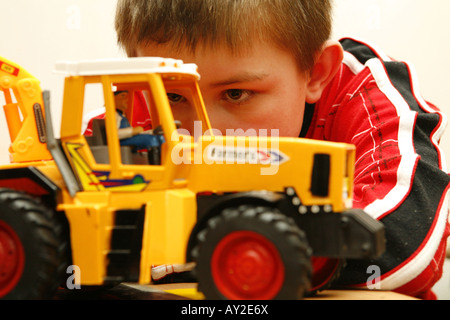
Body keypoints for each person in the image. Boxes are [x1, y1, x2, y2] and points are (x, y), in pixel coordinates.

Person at [113, 0, 450, 299]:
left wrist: (201, 250)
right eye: (173, 97)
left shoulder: (363, 90)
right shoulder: (137, 103)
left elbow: (406, 243)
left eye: (235, 93)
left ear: (315, 72)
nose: (205, 135)